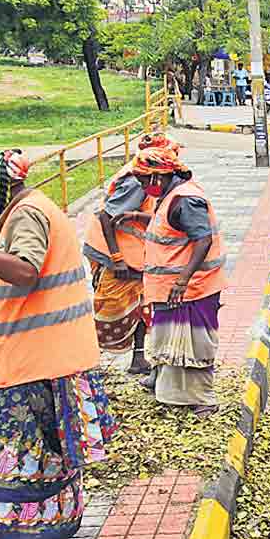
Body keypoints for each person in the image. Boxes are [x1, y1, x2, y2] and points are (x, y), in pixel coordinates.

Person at [0, 150, 116, 539]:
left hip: (33, 373)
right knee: (51, 465)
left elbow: (25, 272)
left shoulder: (27, 214)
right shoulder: (34, 208)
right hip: (43, 363)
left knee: (19, 467)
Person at [125, 146, 228, 417]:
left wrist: (183, 280)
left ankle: (203, 398)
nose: (142, 187)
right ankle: (170, 391)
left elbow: (202, 239)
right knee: (170, 341)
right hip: (170, 290)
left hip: (192, 289)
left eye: (143, 181)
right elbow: (169, 225)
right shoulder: (172, 196)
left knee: (193, 345)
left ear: (158, 177)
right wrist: (138, 217)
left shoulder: (186, 199)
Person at [82, 134, 179, 373]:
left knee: (141, 305)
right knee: (109, 310)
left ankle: (138, 359)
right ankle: (85, 362)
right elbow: (108, 216)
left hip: (136, 254)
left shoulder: (154, 176)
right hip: (113, 253)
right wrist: (116, 258)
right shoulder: (138, 180)